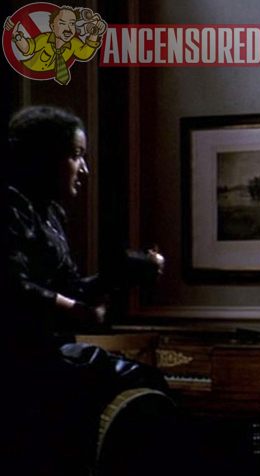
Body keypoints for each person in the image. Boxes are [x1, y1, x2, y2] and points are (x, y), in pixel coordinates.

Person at [1, 105, 172, 475]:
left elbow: (72, 288)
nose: (85, 169)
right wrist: (77, 310)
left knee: (148, 383)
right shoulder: (9, 205)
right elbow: (13, 288)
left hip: (46, 353)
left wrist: (124, 273)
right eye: (76, 155)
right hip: (16, 360)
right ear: (44, 157)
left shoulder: (50, 214)